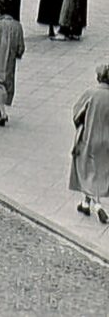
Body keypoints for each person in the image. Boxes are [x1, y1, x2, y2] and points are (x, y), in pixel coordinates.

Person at [71, 64, 109, 223]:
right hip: (106, 140)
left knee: (86, 168)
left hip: (89, 137)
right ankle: (85, 203)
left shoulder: (91, 94)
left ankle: (97, 205)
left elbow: (77, 113)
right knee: (98, 171)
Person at [0, 3, 25, 127]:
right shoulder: (17, 26)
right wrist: (18, 54)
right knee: (7, 81)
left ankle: (3, 113)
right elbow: (21, 45)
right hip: (10, 59)